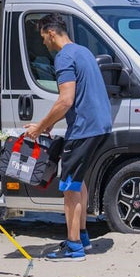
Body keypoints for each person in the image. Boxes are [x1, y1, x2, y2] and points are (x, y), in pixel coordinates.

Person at [24, 13, 112, 261]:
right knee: (78, 181)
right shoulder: (83, 52)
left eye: (43, 37)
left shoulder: (63, 57)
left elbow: (66, 100)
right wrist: (51, 123)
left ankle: (74, 248)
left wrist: (39, 127)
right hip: (101, 126)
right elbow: (81, 97)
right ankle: (82, 238)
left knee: (69, 187)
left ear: (51, 33)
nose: (43, 43)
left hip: (84, 129)